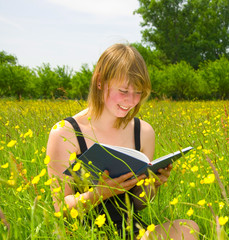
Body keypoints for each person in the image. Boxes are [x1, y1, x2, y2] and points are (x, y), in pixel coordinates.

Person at [46, 43, 199, 239]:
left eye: (138, 93)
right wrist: (100, 193)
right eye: (124, 91)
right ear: (100, 81)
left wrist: (152, 185)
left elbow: (139, 204)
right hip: (86, 232)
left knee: (188, 227)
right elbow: (61, 208)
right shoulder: (65, 132)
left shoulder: (143, 132)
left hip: (134, 231)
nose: (131, 101)